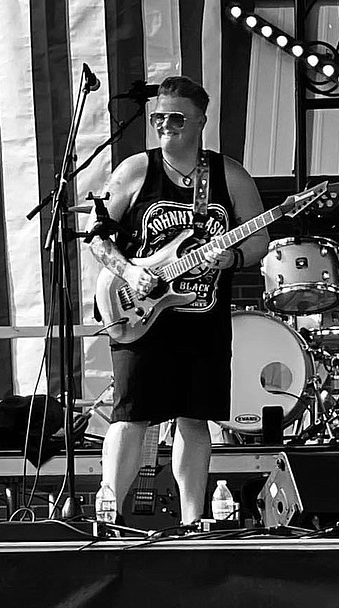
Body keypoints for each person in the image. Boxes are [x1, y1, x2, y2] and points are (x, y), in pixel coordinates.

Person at [88, 75, 269, 524]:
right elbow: (96, 238)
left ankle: (192, 519)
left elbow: (261, 238)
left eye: (174, 118)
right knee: (131, 414)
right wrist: (130, 270)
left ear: (201, 121)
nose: (164, 125)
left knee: (196, 417)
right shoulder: (135, 170)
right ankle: (110, 513)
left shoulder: (229, 175)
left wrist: (232, 258)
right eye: (157, 118)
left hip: (202, 316)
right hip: (139, 312)